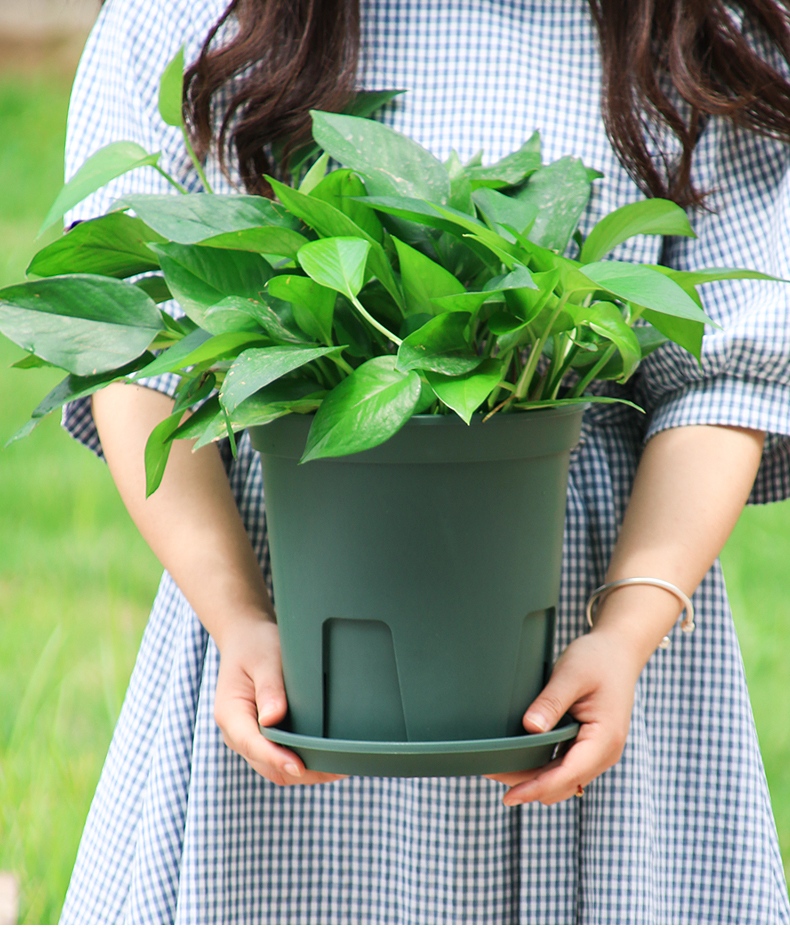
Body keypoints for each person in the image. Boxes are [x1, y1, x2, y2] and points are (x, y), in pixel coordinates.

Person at [58, 0, 790, 922]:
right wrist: (236, 615)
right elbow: (135, 354)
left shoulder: (691, 28)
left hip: (583, 634)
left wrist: (631, 628)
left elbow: (720, 379)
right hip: (295, 624)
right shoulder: (190, 17)